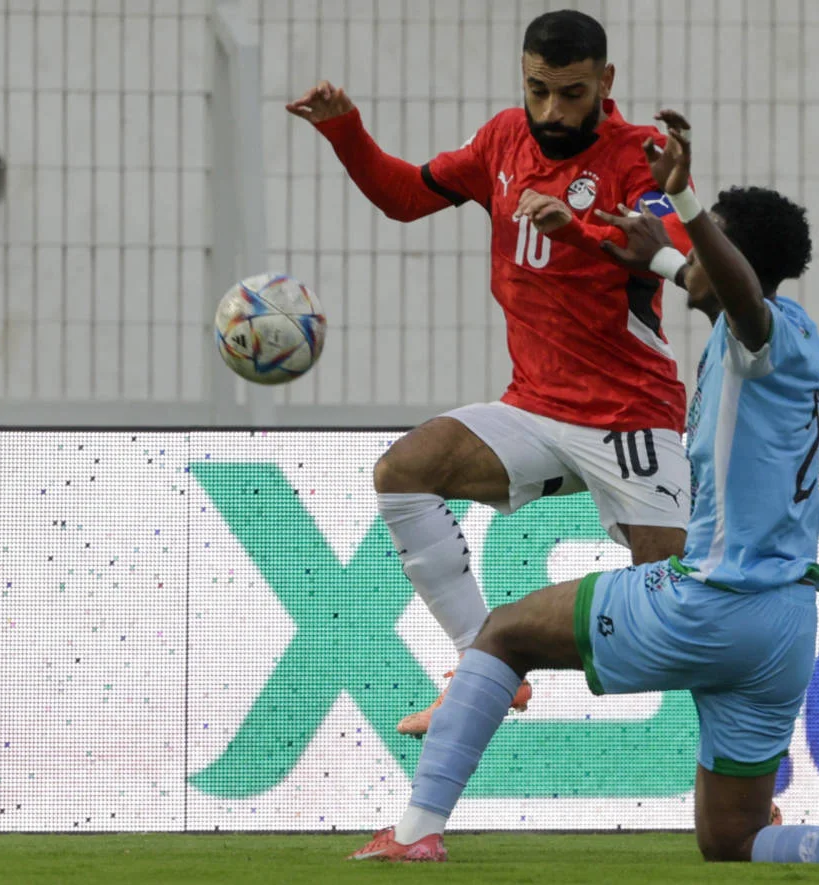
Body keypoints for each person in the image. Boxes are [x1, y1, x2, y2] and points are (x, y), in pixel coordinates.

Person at [346, 110, 819, 866]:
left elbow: (734, 295)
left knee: (500, 635)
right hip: (784, 624)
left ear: (733, 257)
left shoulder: (755, 335)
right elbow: (712, 285)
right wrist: (643, 252)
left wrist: (686, 207)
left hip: (713, 602)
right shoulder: (797, 335)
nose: (692, 251)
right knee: (733, 839)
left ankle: (413, 833)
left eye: (707, 241)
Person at [288, 9, 695, 735]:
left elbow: (669, 248)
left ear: (606, 82)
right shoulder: (503, 138)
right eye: (537, 89)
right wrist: (345, 132)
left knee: (685, 604)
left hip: (631, 413)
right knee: (405, 471)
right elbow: (406, 196)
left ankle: (750, 780)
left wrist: (584, 230)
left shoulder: (639, 156)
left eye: (571, 93)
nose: (551, 111)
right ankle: (482, 664)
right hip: (534, 408)